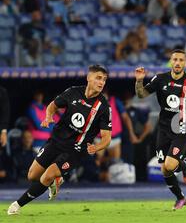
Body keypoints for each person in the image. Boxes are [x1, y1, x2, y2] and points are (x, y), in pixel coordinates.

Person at [7, 65, 112, 215]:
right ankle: (56, 180)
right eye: (98, 78)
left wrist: (97, 147)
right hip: (55, 141)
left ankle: (17, 205)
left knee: (47, 175)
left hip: (75, 149)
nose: (101, 82)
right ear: (89, 78)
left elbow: (106, 138)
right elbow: (52, 106)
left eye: (104, 80)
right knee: (32, 175)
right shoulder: (72, 92)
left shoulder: (104, 107)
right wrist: (48, 116)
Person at [135, 49, 186, 210]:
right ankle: (181, 198)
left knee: (171, 164)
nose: (178, 63)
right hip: (164, 128)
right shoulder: (160, 79)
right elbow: (141, 94)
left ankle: (183, 165)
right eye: (175, 59)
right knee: (165, 169)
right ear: (171, 62)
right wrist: (139, 81)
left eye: (181, 60)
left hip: (182, 127)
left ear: (185, 63)